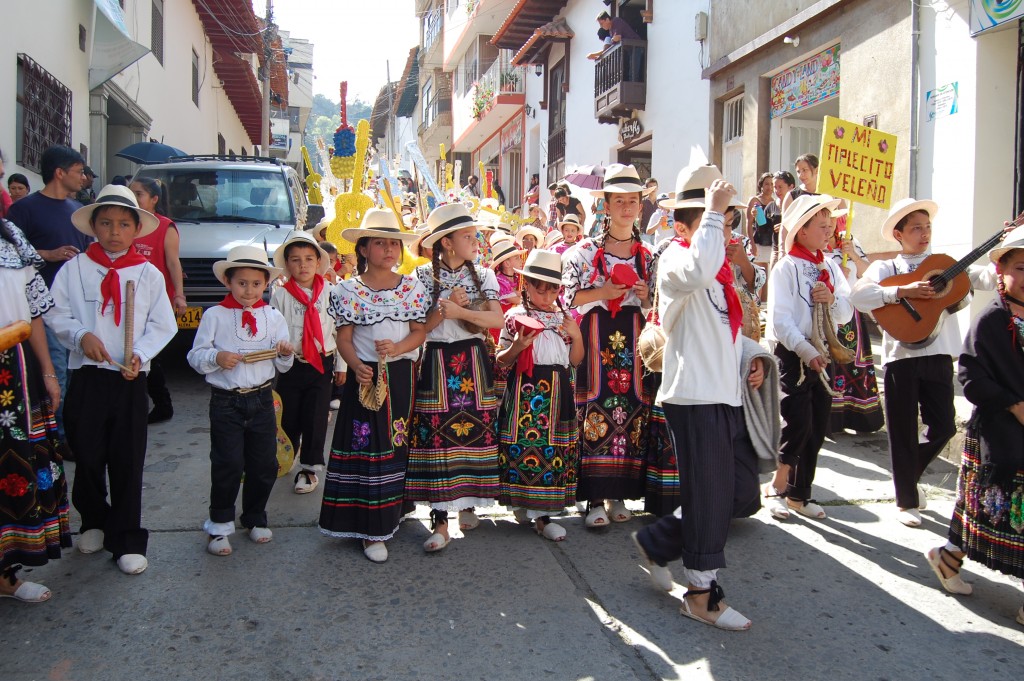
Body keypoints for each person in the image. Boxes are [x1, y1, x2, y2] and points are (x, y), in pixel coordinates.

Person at [632, 168, 761, 631]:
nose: (725, 232)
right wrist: (713, 211)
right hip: (695, 396)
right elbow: (699, 268)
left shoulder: (719, 271)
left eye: (727, 224)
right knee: (710, 493)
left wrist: (752, 357)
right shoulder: (675, 259)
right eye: (716, 223)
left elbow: (723, 333)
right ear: (685, 226)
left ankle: (660, 541)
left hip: (722, 395)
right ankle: (701, 594)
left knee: (738, 490)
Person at [46, 185, 178, 575]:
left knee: (127, 459)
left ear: (136, 229)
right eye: (106, 223)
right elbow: (55, 312)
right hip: (87, 376)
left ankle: (127, 538)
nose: (114, 231)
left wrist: (141, 353)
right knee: (86, 453)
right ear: (94, 227)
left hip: (129, 378)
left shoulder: (148, 273)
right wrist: (80, 336)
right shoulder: (74, 269)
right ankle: (93, 519)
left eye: (123, 224)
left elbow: (163, 324)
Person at [851, 199, 998, 526]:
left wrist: (1007, 252)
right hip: (900, 358)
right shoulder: (887, 269)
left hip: (939, 356)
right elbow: (858, 297)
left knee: (944, 426)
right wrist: (902, 292)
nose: (924, 233)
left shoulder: (945, 264)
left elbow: (987, 278)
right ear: (899, 234)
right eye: (916, 228)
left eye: (927, 227)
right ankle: (906, 501)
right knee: (902, 429)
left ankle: (906, 476)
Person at [923, 225, 1024, 625]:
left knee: (985, 511)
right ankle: (948, 557)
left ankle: (947, 558)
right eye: (1021, 267)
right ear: (1000, 270)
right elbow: (971, 377)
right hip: (999, 431)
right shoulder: (991, 320)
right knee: (987, 509)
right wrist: (1013, 404)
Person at [319, 209, 428, 563]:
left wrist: (398, 348)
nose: (389, 250)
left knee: (397, 443)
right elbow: (344, 338)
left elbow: (419, 333)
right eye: (380, 243)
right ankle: (370, 528)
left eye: (393, 243)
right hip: (365, 377)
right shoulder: (348, 290)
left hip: (401, 377)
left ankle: (395, 509)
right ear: (363, 248)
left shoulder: (412, 287)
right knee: (369, 447)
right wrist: (355, 366)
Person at [407, 203, 503, 552]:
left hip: (473, 361)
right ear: (446, 242)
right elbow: (419, 327)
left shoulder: (485, 275)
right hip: (436, 360)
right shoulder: (419, 277)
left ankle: (468, 503)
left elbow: (497, 320)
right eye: (467, 236)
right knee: (437, 438)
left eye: (475, 235)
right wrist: (443, 307)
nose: (476, 241)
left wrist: (462, 310)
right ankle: (440, 520)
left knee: (474, 433)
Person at [187, 245, 294, 557]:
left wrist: (285, 353)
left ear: (266, 284)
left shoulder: (273, 317)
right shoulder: (215, 315)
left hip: (262, 399)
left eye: (256, 283)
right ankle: (219, 525)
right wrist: (216, 357)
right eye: (242, 283)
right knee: (228, 464)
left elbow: (283, 364)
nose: (249, 290)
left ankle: (255, 517)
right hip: (226, 402)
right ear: (228, 282)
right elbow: (195, 355)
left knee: (264, 463)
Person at [562, 164, 654, 528]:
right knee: (595, 410)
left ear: (641, 206)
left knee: (632, 411)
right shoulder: (584, 252)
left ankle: (621, 494)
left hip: (634, 342)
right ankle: (595, 499)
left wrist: (645, 297)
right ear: (607, 205)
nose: (627, 208)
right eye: (619, 201)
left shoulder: (648, 255)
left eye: (633, 201)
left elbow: (657, 305)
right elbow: (567, 297)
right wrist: (602, 291)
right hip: (597, 339)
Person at [764, 193, 853, 521]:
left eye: (830, 224)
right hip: (793, 354)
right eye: (821, 224)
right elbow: (781, 320)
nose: (829, 230)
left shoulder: (830, 267)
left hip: (823, 353)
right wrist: (806, 350)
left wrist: (831, 299)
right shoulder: (786, 268)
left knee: (816, 426)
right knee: (796, 422)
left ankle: (800, 494)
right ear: (801, 230)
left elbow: (845, 312)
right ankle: (777, 486)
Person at [0, 216, 71, 603]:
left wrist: (48, 372)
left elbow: (35, 313)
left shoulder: (12, 238)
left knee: (15, 465)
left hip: (15, 372)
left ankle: (5, 575)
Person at [7, 145, 91, 460]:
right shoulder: (24, 210)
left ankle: (71, 431)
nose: (83, 178)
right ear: (59, 172)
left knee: (76, 373)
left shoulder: (78, 211)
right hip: (43, 311)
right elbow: (12, 258)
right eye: (78, 171)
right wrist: (48, 254)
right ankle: (56, 439)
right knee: (56, 373)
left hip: (77, 307)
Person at [495, 249, 583, 541]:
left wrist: (577, 335)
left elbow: (575, 360)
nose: (546, 296)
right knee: (526, 447)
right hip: (526, 390)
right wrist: (518, 346)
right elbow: (501, 360)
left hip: (558, 391)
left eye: (552, 289)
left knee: (552, 450)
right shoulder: (515, 316)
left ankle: (542, 513)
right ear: (526, 285)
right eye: (539, 288)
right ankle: (534, 512)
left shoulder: (565, 318)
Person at [270, 230, 342, 495]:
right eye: (296, 260)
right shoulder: (280, 296)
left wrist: (342, 367)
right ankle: (289, 452)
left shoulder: (331, 293)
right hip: (291, 364)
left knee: (316, 417)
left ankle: (309, 468)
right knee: (289, 414)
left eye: (309, 259)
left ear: (318, 262)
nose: (303, 265)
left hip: (322, 364)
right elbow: (273, 332)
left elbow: (340, 330)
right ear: (287, 264)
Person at [130, 177, 187, 423]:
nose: (134, 198)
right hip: (127, 300)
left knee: (150, 355)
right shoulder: (127, 223)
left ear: (154, 199)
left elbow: (173, 263)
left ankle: (162, 404)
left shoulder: (165, 227)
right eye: (131, 193)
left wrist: (179, 295)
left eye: (139, 194)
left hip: (155, 301)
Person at [824, 210, 883, 433]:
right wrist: (834, 273)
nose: (829, 224)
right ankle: (830, 420)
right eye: (824, 219)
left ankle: (857, 417)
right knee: (830, 365)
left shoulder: (849, 241)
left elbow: (870, 274)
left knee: (853, 366)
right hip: (827, 314)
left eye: (832, 218)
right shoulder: (814, 246)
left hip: (851, 315)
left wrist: (854, 256)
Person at [768, 170, 796, 273]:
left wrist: (785, 226)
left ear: (791, 187)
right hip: (777, 250)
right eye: (775, 187)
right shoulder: (771, 206)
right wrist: (757, 217)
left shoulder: (797, 205)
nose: (777, 191)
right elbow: (763, 230)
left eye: (780, 187)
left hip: (795, 250)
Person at [747, 172, 776, 266]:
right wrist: (752, 243)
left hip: (771, 243)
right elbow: (749, 223)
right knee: (760, 272)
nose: (769, 187)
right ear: (761, 185)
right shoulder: (755, 201)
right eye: (766, 184)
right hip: (758, 242)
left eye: (772, 184)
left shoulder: (775, 202)